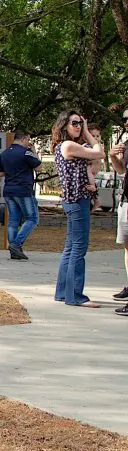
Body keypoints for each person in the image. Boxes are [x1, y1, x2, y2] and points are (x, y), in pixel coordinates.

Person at [52, 110, 105, 308]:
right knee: (78, 248)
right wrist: (90, 135)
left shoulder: (64, 146)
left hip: (73, 200)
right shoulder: (68, 145)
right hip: (77, 200)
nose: (78, 126)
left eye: (80, 123)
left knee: (70, 247)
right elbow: (100, 152)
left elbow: (92, 166)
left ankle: (62, 293)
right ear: (64, 125)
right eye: (74, 123)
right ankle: (75, 295)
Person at [0, 130, 42, 260]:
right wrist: (34, 151)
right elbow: (39, 168)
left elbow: (0, 173)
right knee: (32, 218)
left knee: (13, 220)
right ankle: (16, 245)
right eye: (28, 140)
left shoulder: (4, 153)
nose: (29, 143)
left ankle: (13, 248)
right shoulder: (26, 153)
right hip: (23, 190)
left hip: (8, 190)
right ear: (23, 139)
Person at [110, 107, 128, 313]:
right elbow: (122, 171)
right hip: (126, 201)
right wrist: (113, 157)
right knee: (126, 246)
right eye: (125, 119)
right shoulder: (127, 144)